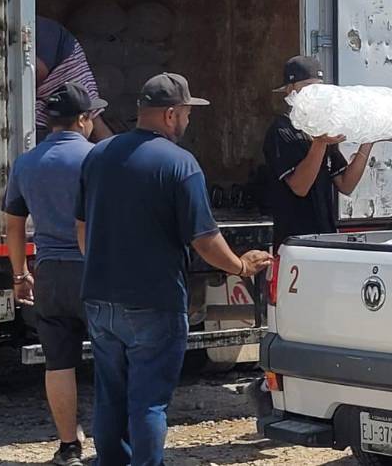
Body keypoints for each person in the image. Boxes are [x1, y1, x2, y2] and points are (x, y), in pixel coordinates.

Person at [76, 72, 270, 466]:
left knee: (110, 394)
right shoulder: (181, 165)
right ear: (169, 115)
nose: (187, 121)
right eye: (185, 113)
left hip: (99, 298)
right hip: (154, 300)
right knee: (148, 401)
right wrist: (240, 266)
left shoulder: (98, 154)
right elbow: (204, 239)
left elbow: (82, 228)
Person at [4, 82, 107, 466]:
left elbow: (13, 225)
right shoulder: (98, 158)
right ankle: (112, 442)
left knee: (58, 362)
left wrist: (20, 275)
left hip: (48, 273)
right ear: (83, 120)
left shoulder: (26, 163)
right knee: (110, 357)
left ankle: (68, 447)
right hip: (94, 271)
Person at [262, 56, 377, 243]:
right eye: (308, 86)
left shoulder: (323, 129)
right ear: (291, 90)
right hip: (295, 242)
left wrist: (368, 140)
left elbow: (346, 185)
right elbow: (300, 187)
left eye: (320, 88)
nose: (316, 94)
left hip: (326, 238)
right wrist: (320, 143)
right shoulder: (281, 130)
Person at [36, 16, 113, 143]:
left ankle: (114, 155)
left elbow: (39, 71)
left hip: (65, 68)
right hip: (42, 87)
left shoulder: (39, 27)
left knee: (92, 116)